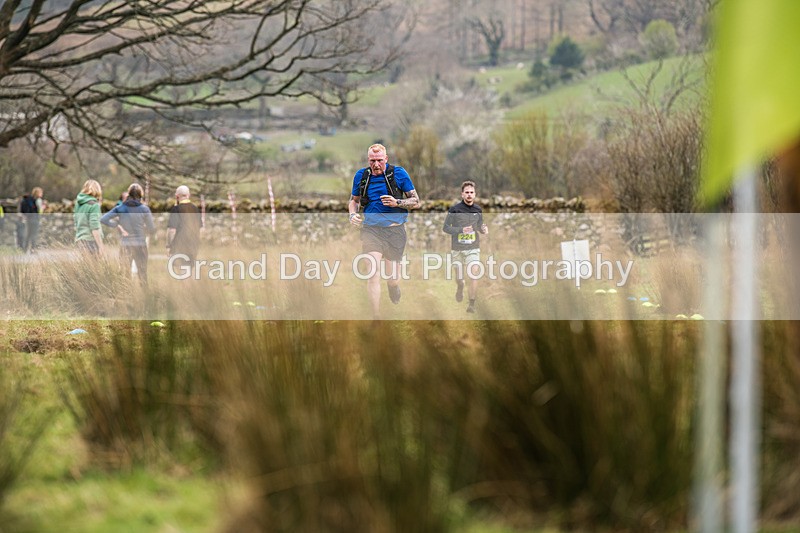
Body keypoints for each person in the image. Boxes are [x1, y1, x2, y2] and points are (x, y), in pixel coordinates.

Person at [348, 143, 419, 318]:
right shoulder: (361, 176)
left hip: (395, 232)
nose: (376, 164)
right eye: (372, 161)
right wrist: (352, 215)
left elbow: (416, 201)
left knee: (393, 278)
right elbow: (354, 200)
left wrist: (397, 203)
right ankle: (376, 317)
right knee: (372, 273)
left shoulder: (399, 174)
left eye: (379, 160)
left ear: (386, 159)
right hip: (371, 230)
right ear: (368, 160)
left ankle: (393, 287)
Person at [442, 180, 488, 314]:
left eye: (471, 192)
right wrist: (461, 230)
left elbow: (479, 226)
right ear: (462, 194)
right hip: (457, 249)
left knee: (473, 274)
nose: (469, 195)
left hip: (473, 248)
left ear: (475, 194)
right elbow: (445, 228)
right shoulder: (454, 210)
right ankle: (460, 286)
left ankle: (471, 304)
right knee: (460, 278)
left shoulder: (478, 210)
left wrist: (483, 229)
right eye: (467, 192)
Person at [101, 183, 155, 283]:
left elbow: (103, 219)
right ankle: (146, 297)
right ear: (140, 194)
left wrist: (116, 224)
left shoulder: (121, 208)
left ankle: (125, 297)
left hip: (125, 245)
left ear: (129, 193)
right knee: (143, 275)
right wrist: (143, 229)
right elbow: (152, 229)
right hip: (140, 245)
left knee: (125, 277)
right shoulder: (144, 209)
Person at [166, 185, 202, 274]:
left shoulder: (176, 209)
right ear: (188, 195)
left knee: (180, 272)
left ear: (177, 196)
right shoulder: (195, 209)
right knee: (189, 270)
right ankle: (191, 287)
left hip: (180, 244)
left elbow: (172, 230)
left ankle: (184, 287)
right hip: (193, 244)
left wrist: (169, 246)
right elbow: (200, 228)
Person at [73, 179, 105, 255]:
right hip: (91, 241)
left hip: (80, 240)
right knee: (95, 266)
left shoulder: (78, 203)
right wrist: (100, 246)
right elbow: (94, 227)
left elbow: (76, 221)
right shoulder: (94, 205)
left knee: (85, 266)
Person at [19, 186, 46, 253]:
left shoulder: (28, 199)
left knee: (28, 234)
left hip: (28, 219)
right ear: (38, 193)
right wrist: (43, 207)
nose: (42, 194)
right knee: (34, 234)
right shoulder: (38, 200)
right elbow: (40, 211)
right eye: (41, 192)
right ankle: (33, 249)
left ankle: (25, 249)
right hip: (35, 219)